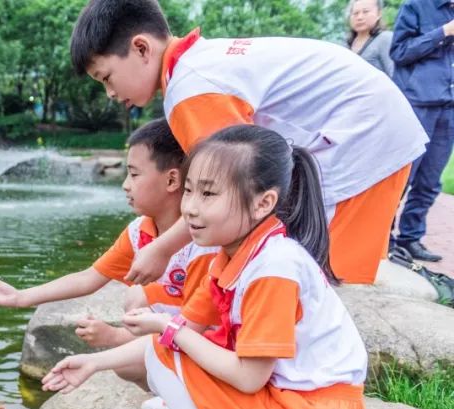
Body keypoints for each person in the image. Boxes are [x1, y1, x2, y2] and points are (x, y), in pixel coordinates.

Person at [43, 125, 368, 409]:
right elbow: (185, 329)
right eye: (190, 190)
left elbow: (247, 377)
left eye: (209, 194)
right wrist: (95, 363)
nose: (190, 208)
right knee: (177, 342)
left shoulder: (274, 269)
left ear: (264, 202)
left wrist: (169, 330)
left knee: (172, 344)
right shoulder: (236, 255)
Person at [69, 0, 428, 285]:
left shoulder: (192, 87)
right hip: (371, 125)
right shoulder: (199, 66)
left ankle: (319, 367)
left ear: (142, 48)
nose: (110, 93)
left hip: (364, 135)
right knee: (298, 250)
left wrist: (161, 249)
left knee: (322, 269)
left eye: (106, 77)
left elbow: (227, 189)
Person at [0, 120, 216, 409]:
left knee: (134, 314)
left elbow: (198, 325)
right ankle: (175, 391)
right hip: (173, 337)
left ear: (172, 181)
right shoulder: (141, 231)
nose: (125, 184)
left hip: (209, 346)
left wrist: (116, 338)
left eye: (134, 174)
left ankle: (191, 395)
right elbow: (90, 277)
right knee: (133, 325)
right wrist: (22, 297)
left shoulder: (202, 243)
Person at [389, 0, 454, 263]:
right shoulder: (416, 7)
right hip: (417, 103)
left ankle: (410, 238)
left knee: (430, 181)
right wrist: (444, 33)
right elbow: (400, 52)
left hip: (449, 106)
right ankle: (384, 237)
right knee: (402, 175)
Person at [347, 0, 394, 75]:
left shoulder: (385, 39)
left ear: (379, 14)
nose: (359, 17)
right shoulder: (345, 45)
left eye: (365, 12)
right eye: (355, 13)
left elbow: (394, 74)